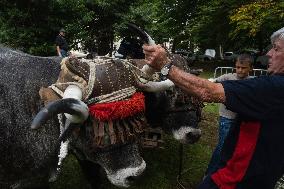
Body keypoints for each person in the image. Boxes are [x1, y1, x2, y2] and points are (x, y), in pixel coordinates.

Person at [142, 27, 284, 189]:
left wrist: (164, 65)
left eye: (276, 48)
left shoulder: (275, 88)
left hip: (235, 180)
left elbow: (207, 91)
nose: (269, 54)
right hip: (263, 177)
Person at [206, 54, 254, 175]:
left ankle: (226, 170)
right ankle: (210, 174)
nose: (240, 70)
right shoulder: (228, 77)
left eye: (243, 68)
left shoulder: (253, 81)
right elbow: (212, 84)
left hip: (243, 119)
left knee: (236, 146)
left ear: (251, 68)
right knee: (223, 146)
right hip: (227, 118)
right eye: (238, 67)